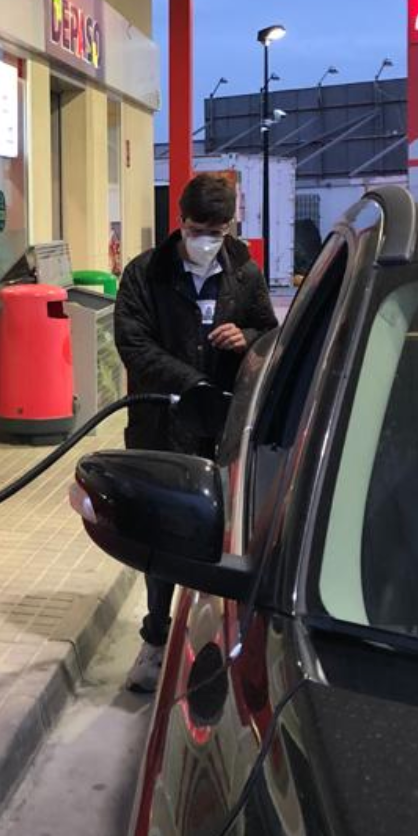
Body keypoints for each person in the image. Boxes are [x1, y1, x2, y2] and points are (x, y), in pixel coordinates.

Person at [112, 172, 279, 692]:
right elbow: (133, 344)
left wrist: (245, 336)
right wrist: (192, 382)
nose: (207, 239)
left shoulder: (244, 273)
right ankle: (155, 638)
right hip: (162, 424)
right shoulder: (146, 274)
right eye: (197, 229)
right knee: (161, 536)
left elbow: (270, 333)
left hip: (222, 426)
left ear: (231, 226)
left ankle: (213, 633)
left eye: (217, 230)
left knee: (219, 537)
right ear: (180, 222)